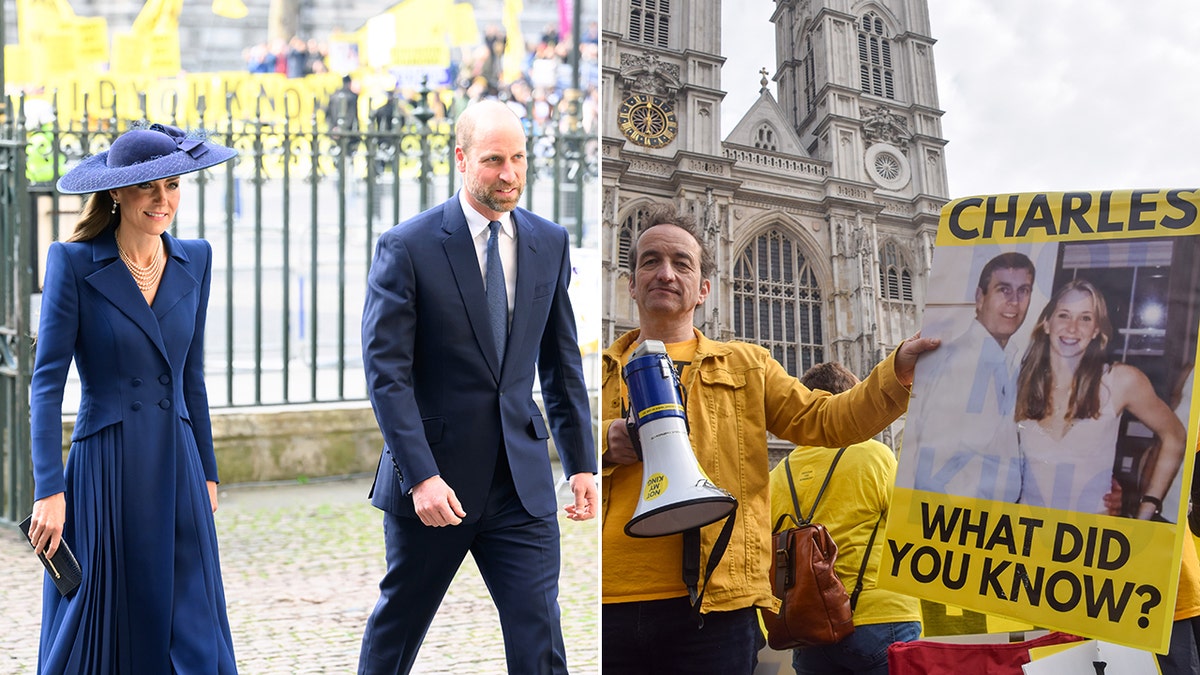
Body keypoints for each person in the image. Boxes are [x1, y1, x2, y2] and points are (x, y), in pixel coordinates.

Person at [600, 203, 939, 674]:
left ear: (703, 290)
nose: (665, 273)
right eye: (650, 261)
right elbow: (547, 452)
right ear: (631, 281)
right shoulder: (593, 375)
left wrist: (895, 372)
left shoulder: (747, 366)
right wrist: (601, 443)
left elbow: (828, 419)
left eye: (682, 263)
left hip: (717, 607)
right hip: (607, 599)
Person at [357, 99, 597, 674]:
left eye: (518, 158)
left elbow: (561, 365)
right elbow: (386, 375)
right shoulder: (407, 246)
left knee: (540, 640)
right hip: (435, 488)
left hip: (522, 487)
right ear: (462, 158)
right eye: (493, 160)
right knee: (398, 631)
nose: (509, 174)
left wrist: (581, 463)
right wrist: (421, 476)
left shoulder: (550, 242)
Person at [25, 123, 239, 673]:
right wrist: (49, 490)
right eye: (148, 187)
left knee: (190, 619)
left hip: (179, 462)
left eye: (172, 185)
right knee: (103, 617)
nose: (162, 200)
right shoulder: (73, 263)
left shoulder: (196, 257)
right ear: (117, 192)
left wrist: (209, 472)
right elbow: (46, 382)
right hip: (106, 467)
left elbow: (191, 376)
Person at [769, 362, 922, 675]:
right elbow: (914, 525)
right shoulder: (873, 455)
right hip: (880, 619)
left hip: (809, 628)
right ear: (852, 404)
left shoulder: (775, 477)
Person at [1015, 278, 1186, 516]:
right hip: (1026, 534)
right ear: (1046, 323)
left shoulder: (1119, 381)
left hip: (1090, 541)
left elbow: (1175, 436)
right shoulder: (1019, 382)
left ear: (1096, 330)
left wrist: (1147, 509)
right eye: (1064, 315)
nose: (1073, 327)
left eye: (1085, 318)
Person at [898, 251, 1035, 502]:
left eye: (1023, 291)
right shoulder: (959, 364)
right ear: (980, 298)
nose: (1014, 301)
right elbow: (932, 466)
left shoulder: (1010, 360)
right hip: (966, 525)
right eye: (1004, 290)